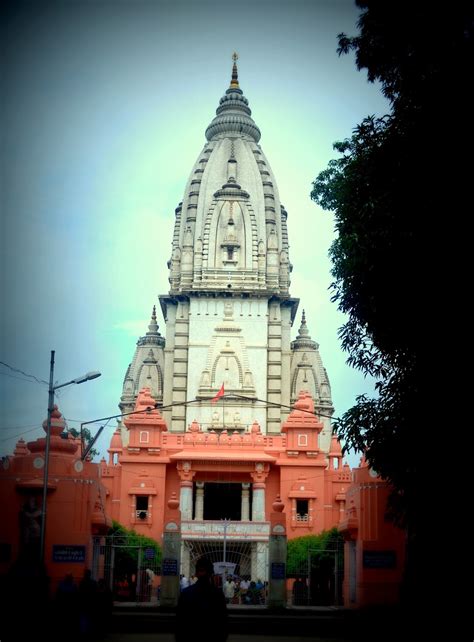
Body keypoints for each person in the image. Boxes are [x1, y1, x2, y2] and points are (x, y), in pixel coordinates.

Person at [175, 557, 228, 642]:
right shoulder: (218, 595)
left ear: (196, 573)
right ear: (211, 573)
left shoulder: (186, 593)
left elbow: (179, 625)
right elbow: (223, 624)